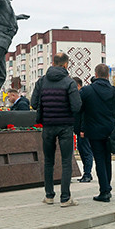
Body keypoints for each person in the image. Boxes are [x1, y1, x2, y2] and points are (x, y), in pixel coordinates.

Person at [31, 53, 82, 206]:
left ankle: (49, 196)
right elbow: (76, 106)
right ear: (66, 65)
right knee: (66, 161)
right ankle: (65, 198)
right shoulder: (69, 82)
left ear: (53, 63)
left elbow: (34, 103)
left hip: (47, 126)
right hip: (65, 126)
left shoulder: (42, 81)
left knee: (48, 161)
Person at [80, 64, 115, 202]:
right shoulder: (114, 91)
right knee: (107, 159)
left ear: (95, 74)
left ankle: (104, 191)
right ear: (108, 75)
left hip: (94, 130)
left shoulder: (87, 90)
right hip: (110, 131)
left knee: (99, 160)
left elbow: (79, 107)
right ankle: (107, 187)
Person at [71, 77, 93, 183]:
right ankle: (87, 173)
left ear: (78, 86)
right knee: (82, 151)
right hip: (79, 129)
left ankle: (87, 174)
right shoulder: (79, 96)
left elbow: (85, 114)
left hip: (84, 130)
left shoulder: (82, 96)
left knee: (86, 152)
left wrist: (83, 130)